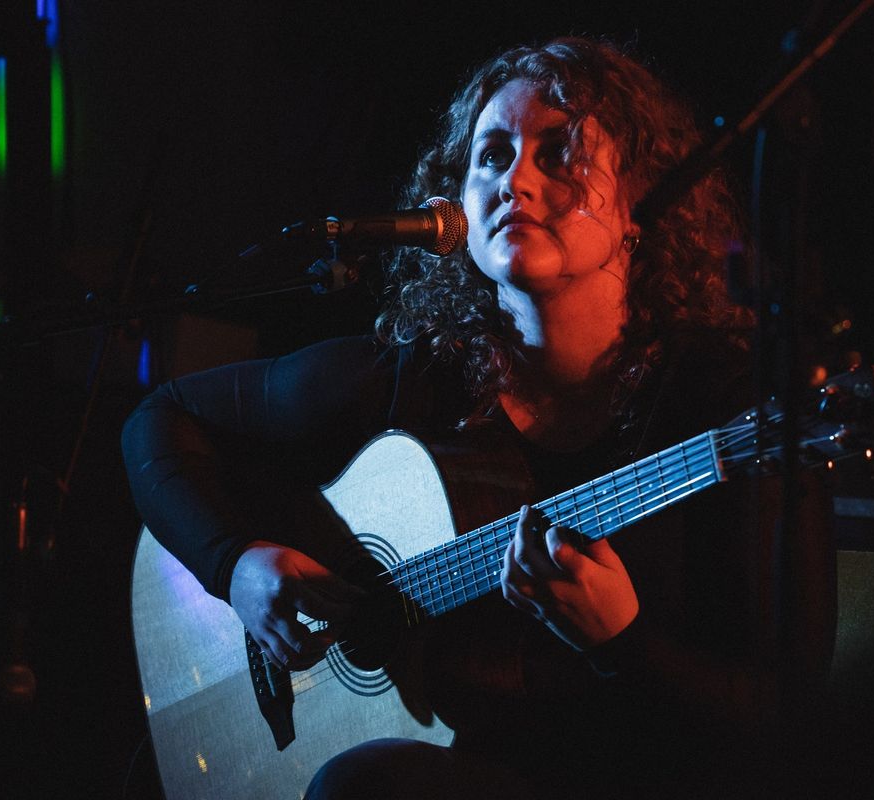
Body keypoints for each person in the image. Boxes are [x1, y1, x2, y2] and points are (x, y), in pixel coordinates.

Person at [123, 37, 834, 798]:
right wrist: (234, 565)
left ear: (641, 202)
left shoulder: (719, 405)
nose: (515, 180)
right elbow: (162, 420)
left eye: (558, 153)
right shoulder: (420, 378)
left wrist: (625, 644)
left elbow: (782, 717)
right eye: (492, 155)